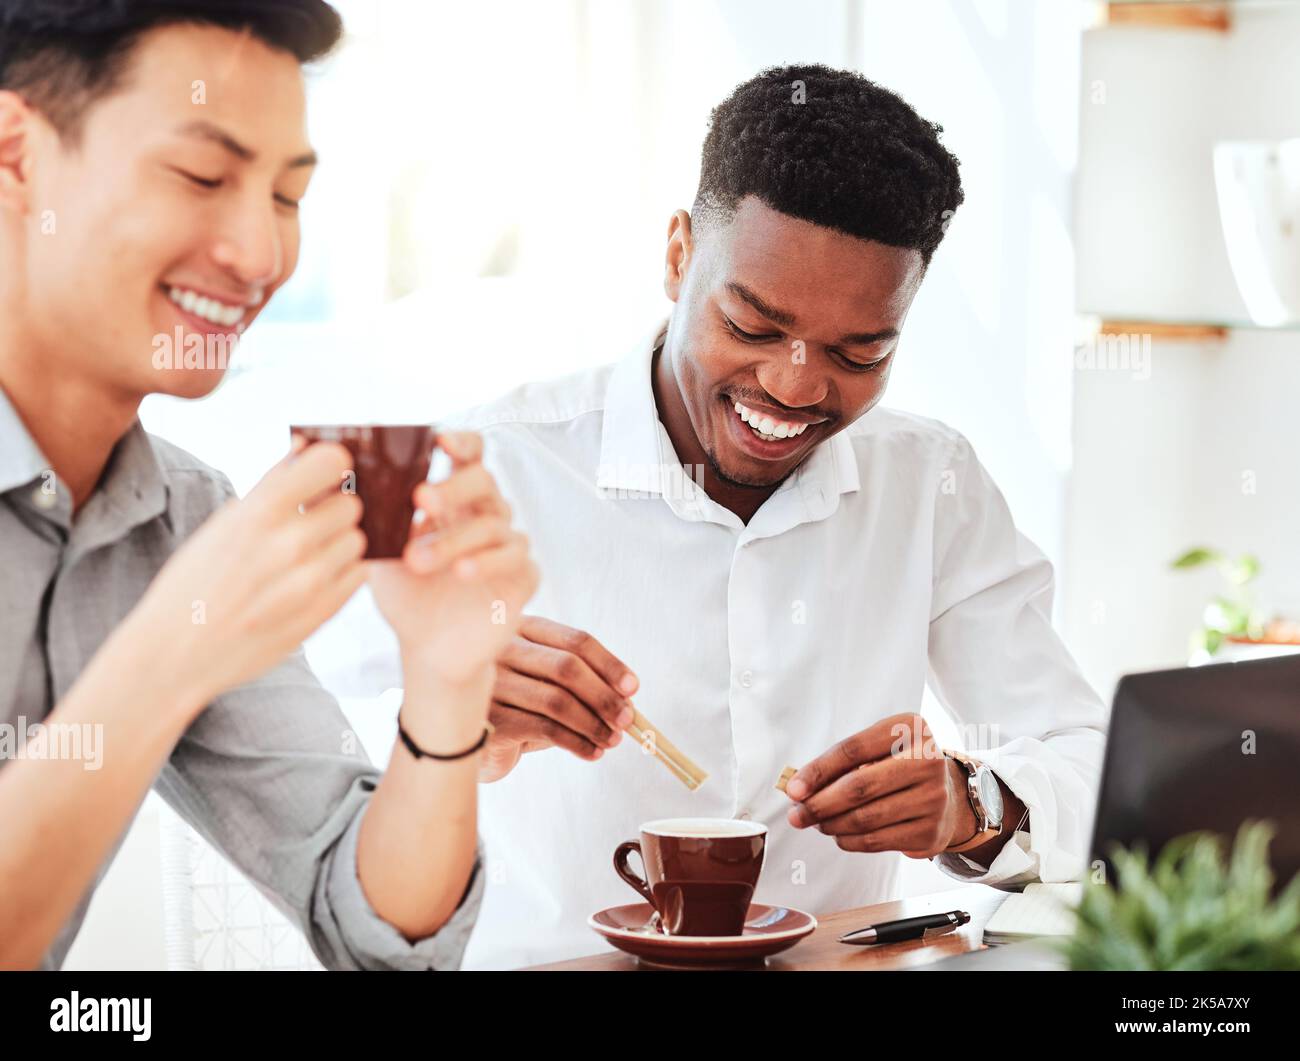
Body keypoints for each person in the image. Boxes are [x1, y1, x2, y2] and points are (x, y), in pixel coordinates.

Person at [359, 64, 1107, 968]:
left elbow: (1092, 762)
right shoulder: (479, 464)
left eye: (858, 350)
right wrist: (449, 724)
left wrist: (974, 803)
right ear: (678, 255)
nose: (794, 385)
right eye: (752, 326)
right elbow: (319, 766)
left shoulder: (930, 482)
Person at [0, 0, 536, 970]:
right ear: (16, 152)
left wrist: (447, 678)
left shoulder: (183, 518)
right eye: (202, 175)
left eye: (286, 198)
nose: (260, 257)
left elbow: (378, 926)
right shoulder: (195, 575)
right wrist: (170, 653)